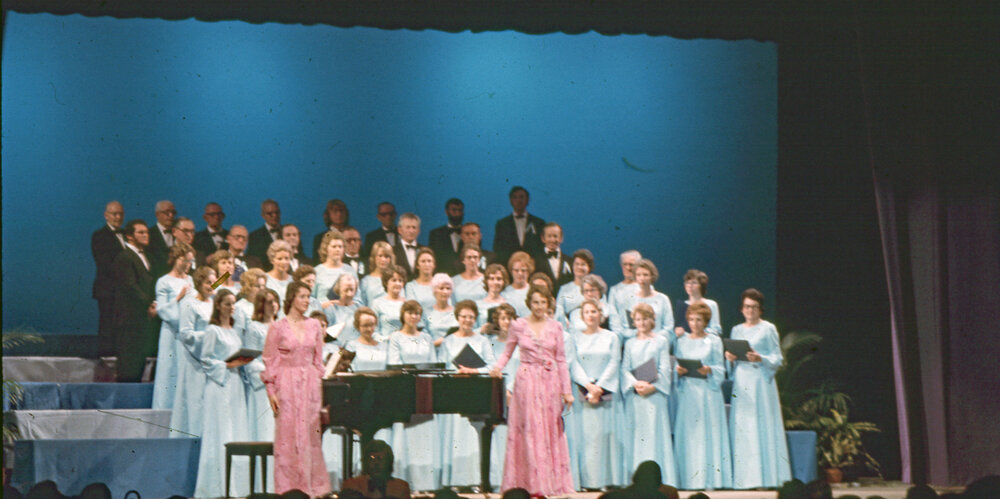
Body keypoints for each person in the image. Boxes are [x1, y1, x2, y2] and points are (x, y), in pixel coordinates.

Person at [489, 285, 575, 495]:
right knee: (529, 430)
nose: (539, 306)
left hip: (550, 382)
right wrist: (497, 367)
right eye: (535, 302)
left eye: (543, 302)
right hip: (526, 382)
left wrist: (566, 390)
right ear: (529, 303)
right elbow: (507, 352)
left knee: (548, 430)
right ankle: (528, 484)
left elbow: (561, 360)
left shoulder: (556, 327)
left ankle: (549, 483)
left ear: (548, 304)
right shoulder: (518, 325)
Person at [261, 281, 331, 496]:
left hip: (310, 385)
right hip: (286, 384)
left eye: (308, 296)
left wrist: (318, 381)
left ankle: (312, 489)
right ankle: (288, 490)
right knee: (288, 439)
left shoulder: (314, 325)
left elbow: (318, 362)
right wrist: (271, 391)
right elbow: (270, 361)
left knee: (310, 437)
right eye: (302, 296)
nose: (306, 300)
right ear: (291, 298)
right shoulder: (277, 327)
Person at [726, 289, 791, 488]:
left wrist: (760, 358)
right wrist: (730, 358)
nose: (750, 310)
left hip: (761, 382)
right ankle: (744, 479)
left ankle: (766, 478)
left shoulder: (768, 328)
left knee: (761, 425)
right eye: (747, 307)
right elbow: (732, 357)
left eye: (754, 307)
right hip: (742, 381)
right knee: (744, 426)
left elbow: (777, 358)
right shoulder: (736, 330)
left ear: (760, 309)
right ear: (742, 309)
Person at [193, 289, 253, 498]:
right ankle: (217, 487)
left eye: (233, 303)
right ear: (218, 306)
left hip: (235, 384)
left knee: (236, 429)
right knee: (222, 431)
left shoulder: (234, 331)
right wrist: (227, 365)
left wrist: (243, 361)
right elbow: (206, 360)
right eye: (227, 304)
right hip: (220, 385)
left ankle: (238, 487)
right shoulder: (213, 330)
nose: (231, 307)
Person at [673, 302, 731, 490]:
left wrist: (709, 369)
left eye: (698, 320)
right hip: (689, 392)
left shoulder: (713, 341)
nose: (694, 323)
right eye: (691, 319)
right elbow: (677, 366)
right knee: (690, 434)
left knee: (707, 434)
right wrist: (678, 371)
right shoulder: (682, 341)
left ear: (705, 321)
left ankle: (709, 480)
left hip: (708, 392)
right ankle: (688, 479)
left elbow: (720, 368)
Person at [440, 300, 497, 488]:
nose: (467, 320)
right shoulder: (448, 341)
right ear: (458, 317)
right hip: (455, 391)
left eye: (471, 317)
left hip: (476, 391)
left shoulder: (482, 340)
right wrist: (455, 372)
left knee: (473, 436)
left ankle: (474, 481)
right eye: (464, 316)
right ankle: (455, 481)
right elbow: (442, 367)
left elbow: (491, 366)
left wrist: (474, 371)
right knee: (456, 435)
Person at [569, 299, 624, 489]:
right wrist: (588, 385)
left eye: (594, 311)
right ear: (582, 316)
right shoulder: (575, 338)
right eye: (587, 312)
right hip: (583, 393)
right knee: (586, 437)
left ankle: (606, 481)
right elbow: (574, 363)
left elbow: (614, 362)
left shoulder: (611, 337)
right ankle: (587, 481)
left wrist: (599, 387)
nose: (590, 315)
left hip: (605, 393)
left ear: (600, 314)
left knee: (604, 437)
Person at [620, 303, 677, 487]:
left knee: (654, 434)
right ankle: (636, 479)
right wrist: (635, 384)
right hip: (636, 395)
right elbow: (625, 369)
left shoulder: (660, 341)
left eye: (645, 319)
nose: (642, 323)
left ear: (652, 320)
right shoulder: (630, 343)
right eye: (638, 319)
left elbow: (664, 368)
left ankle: (658, 479)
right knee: (637, 435)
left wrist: (653, 387)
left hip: (654, 395)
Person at [387, 300, 440, 491]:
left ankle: (426, 484)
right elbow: (394, 364)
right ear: (403, 315)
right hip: (404, 388)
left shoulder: (426, 337)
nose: (414, 317)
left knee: (424, 436)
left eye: (417, 313)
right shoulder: (396, 337)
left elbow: (433, 363)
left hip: (424, 389)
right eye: (410, 313)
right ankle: (405, 481)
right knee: (406, 435)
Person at [170, 266, 217, 437]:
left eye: (214, 282)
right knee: (196, 403)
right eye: (207, 283)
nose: (211, 286)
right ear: (199, 283)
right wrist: (210, 336)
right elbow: (186, 334)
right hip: (195, 361)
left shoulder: (214, 303)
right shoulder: (189, 304)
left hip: (213, 361)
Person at [111, 219, 159, 382]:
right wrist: (150, 304)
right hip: (130, 317)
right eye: (141, 232)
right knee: (129, 363)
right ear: (130, 236)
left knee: (138, 361)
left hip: (143, 317)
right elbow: (130, 285)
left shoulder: (148, 257)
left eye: (147, 232)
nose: (146, 235)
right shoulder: (124, 257)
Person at [151, 242, 194, 409]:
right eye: (186, 260)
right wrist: (178, 298)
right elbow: (162, 310)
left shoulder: (190, 280)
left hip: (187, 332)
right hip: (172, 333)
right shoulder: (164, 281)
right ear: (177, 259)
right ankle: (165, 408)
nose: (188, 265)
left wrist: (224, 277)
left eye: (191, 261)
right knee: (169, 369)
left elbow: (207, 292)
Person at [486, 304, 519, 488]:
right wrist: (503, 390)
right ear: (497, 321)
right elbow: (491, 366)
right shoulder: (490, 342)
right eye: (503, 318)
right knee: (499, 437)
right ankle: (498, 481)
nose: (506, 322)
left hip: (518, 392)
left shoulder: (521, 342)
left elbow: (523, 367)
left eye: (510, 318)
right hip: (497, 393)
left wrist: (511, 389)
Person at [245, 288, 280, 443]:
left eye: (275, 301)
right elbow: (250, 359)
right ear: (261, 305)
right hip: (263, 383)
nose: (274, 305)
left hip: (282, 382)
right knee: (266, 427)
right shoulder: (254, 327)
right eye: (269, 302)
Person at [92, 200, 126, 356]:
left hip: (124, 290)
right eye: (114, 214)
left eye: (120, 214)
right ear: (106, 216)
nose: (118, 217)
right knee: (108, 323)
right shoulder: (99, 236)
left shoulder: (127, 234)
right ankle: (106, 357)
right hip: (108, 289)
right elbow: (105, 263)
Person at [613, 259, 674, 344]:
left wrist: (653, 337)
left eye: (645, 275)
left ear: (652, 276)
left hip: (657, 343)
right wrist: (641, 337)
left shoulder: (663, 299)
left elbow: (668, 327)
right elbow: (626, 328)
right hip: (636, 344)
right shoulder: (629, 300)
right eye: (639, 275)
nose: (642, 278)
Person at [340, 439, 412, 499]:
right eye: (372, 459)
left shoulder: (401, 487)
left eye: (380, 459)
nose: (376, 463)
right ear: (366, 461)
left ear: (389, 462)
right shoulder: (352, 485)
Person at [493, 186, 545, 265]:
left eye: (521, 197)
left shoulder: (539, 223)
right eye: (515, 197)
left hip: (533, 267)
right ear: (510, 201)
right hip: (509, 267)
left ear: (528, 200)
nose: (518, 200)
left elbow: (542, 248)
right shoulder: (502, 224)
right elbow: (498, 248)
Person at [673, 269, 722, 337]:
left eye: (694, 283)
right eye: (688, 283)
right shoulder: (682, 306)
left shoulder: (710, 304)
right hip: (684, 340)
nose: (690, 285)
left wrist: (698, 333)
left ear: (701, 285)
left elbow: (715, 329)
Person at [313, 229, 357, 303]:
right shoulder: (316, 272)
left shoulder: (350, 270)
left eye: (340, 247)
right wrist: (323, 305)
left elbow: (358, 298)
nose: (337, 250)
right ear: (326, 249)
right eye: (334, 246)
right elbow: (310, 299)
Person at [555, 249, 595, 326]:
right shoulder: (564, 289)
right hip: (570, 328)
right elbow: (558, 310)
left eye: (583, 264)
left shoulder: (596, 288)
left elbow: (603, 309)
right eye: (577, 264)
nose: (579, 267)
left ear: (589, 267)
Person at [533, 222, 574, 293]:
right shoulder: (535, 261)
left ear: (561, 238)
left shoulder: (570, 261)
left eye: (555, 236)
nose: (552, 240)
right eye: (549, 236)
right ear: (543, 238)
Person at [370, 265, 408, 339]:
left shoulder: (407, 304)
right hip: (384, 343)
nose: (398, 283)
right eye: (394, 280)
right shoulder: (377, 303)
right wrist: (387, 339)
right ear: (386, 282)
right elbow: (373, 332)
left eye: (400, 280)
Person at [428, 198, 464, 274]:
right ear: (446, 212)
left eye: (460, 210)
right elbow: (432, 258)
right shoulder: (435, 234)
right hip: (442, 276)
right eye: (454, 210)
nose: (457, 214)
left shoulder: (468, 233)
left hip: (465, 277)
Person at [323, 274, 361, 346]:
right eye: (346, 289)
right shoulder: (330, 308)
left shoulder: (359, 307)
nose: (349, 293)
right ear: (339, 288)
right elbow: (326, 334)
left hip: (356, 347)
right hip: (336, 348)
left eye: (352, 289)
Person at [424, 273, 458, 350]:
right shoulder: (426, 313)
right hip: (434, 351)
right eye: (441, 288)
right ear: (434, 290)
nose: (445, 291)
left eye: (448, 288)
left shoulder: (457, 312)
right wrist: (438, 343)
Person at [607, 251, 641, 325]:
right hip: (621, 331)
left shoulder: (645, 288)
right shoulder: (615, 290)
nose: (628, 268)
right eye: (625, 264)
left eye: (631, 264)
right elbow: (613, 316)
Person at [248, 199, 283, 270]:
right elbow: (253, 261)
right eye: (270, 213)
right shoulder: (254, 237)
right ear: (263, 215)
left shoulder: (290, 233)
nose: (274, 215)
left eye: (277, 212)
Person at [359, 241, 395, 306]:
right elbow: (362, 305)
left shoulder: (396, 279)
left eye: (386, 256)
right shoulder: (365, 281)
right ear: (374, 258)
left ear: (391, 259)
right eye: (380, 256)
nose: (383, 260)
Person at [404, 247, 438, 316]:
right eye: (423, 261)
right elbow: (412, 309)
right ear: (417, 265)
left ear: (434, 265)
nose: (427, 264)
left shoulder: (441, 283)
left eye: (429, 261)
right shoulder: (410, 286)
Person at [146, 200, 176, 276]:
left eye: (173, 212)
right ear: (157, 214)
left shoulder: (178, 232)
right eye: (167, 212)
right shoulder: (149, 234)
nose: (171, 215)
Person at [501, 251, 534, 318]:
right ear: (511, 271)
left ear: (529, 271)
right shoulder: (504, 293)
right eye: (516, 270)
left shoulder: (533, 291)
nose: (520, 273)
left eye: (523, 270)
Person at [476, 263, 509, 330]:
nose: (495, 282)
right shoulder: (478, 305)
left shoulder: (509, 303)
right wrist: (482, 330)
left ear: (504, 281)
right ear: (487, 281)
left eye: (499, 279)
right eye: (492, 279)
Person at [265, 240, 295, 306]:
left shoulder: (293, 281)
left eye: (286, 258)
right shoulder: (265, 280)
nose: (284, 262)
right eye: (280, 259)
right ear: (272, 260)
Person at [393, 213, 422, 279]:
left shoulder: (424, 250)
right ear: (399, 230)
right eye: (408, 227)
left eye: (414, 227)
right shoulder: (392, 251)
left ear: (418, 231)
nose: (411, 231)